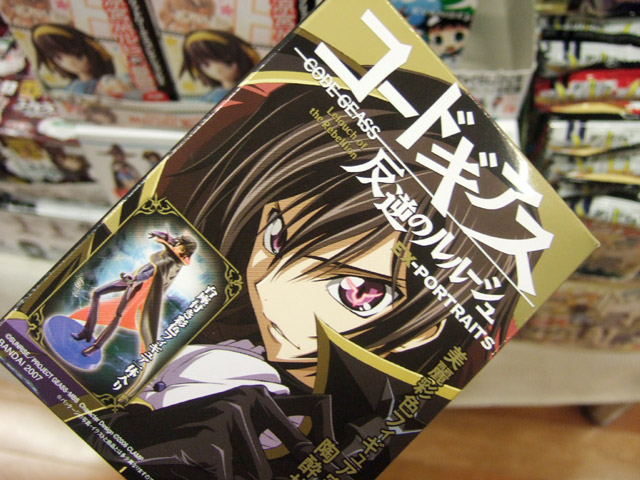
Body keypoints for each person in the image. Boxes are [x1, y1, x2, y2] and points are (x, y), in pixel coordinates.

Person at [78, 46, 539, 478]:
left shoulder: (368, 420)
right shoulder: (215, 334)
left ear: (429, 326)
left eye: (357, 291)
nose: (271, 293)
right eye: (276, 237)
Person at [71, 231, 197, 357]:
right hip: (132, 281)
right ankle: (87, 332)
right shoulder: (175, 251)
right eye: (177, 244)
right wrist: (161, 235)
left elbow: (149, 274)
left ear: (184, 252)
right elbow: (171, 241)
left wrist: (134, 278)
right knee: (97, 293)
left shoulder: (170, 262)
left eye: (180, 247)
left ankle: (96, 347)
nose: (175, 246)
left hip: (140, 289)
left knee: (118, 315)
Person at [31, 23, 130, 96]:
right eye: (58, 58)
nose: (70, 62)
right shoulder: (72, 88)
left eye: (75, 52)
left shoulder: (108, 82)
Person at [180, 29, 260, 103]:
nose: (216, 69)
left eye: (227, 60)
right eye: (205, 64)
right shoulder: (212, 96)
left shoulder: (252, 92)